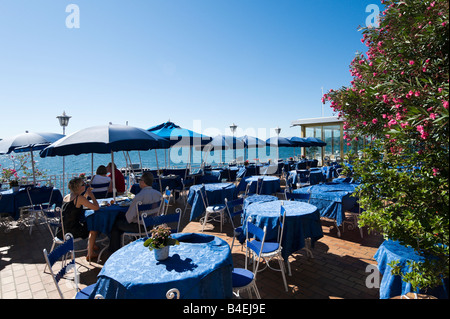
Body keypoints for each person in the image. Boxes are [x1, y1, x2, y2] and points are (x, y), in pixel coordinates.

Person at [109, 172, 162, 253]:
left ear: (143, 182)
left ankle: (114, 251)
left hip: (140, 227)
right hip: (152, 225)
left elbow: (129, 218)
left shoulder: (139, 197)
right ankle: (135, 242)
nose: (139, 182)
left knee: (115, 224)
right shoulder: (158, 195)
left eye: (140, 180)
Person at [57, 177, 100, 261]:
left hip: (62, 230)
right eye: (83, 184)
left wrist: (86, 195)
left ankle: (92, 245)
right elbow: (96, 207)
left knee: (88, 224)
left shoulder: (67, 196)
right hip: (72, 232)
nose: (85, 185)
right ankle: (90, 252)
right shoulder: (79, 198)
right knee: (94, 227)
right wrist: (92, 196)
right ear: (78, 187)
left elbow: (79, 202)